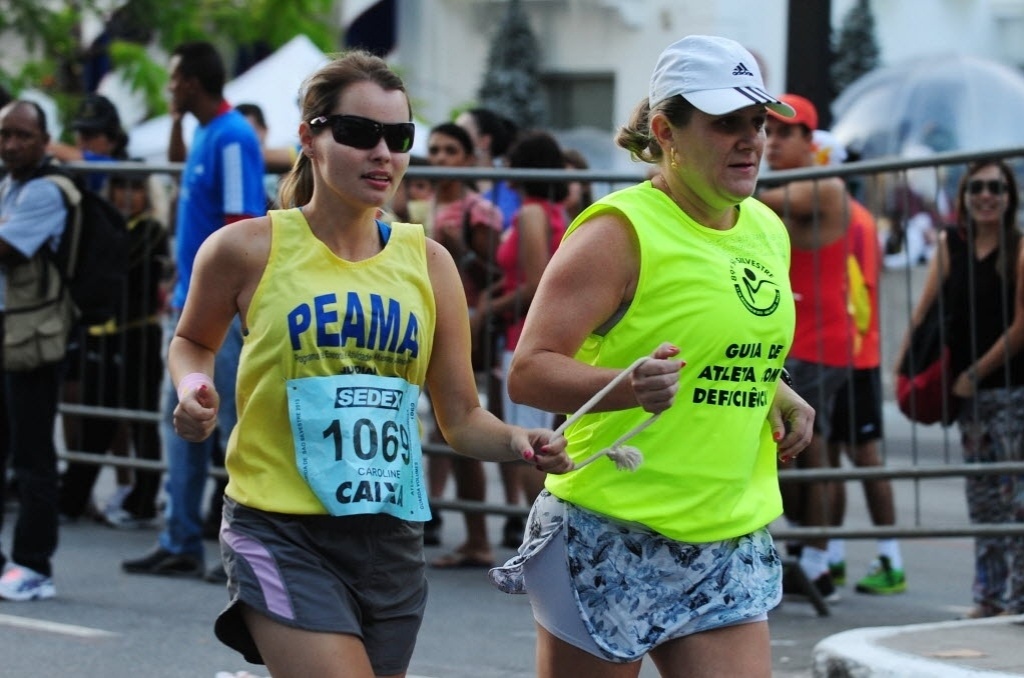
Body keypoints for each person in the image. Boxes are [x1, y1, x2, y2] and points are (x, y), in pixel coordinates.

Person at [168, 49, 572, 677]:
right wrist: (193, 386)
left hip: (389, 540)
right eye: (359, 132)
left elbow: (462, 417)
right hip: (279, 528)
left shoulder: (429, 263)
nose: (383, 153)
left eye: (399, 136)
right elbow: (192, 338)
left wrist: (520, 440)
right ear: (310, 138)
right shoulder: (245, 249)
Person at [489, 35, 813, 676]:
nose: (751, 140)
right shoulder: (618, 231)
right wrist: (627, 387)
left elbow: (713, 341)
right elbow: (528, 370)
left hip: (726, 535)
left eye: (757, 122)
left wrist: (776, 390)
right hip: (609, 529)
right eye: (726, 123)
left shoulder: (765, 228)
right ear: (665, 131)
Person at [122, 40, 265, 579]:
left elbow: (240, 223)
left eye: (173, 78)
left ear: (191, 82)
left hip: (217, 315)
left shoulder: (232, 136)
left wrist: (229, 305)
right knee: (181, 423)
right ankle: (180, 539)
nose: (167, 87)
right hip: (189, 304)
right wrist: (178, 120)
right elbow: (183, 170)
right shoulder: (206, 131)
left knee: (231, 428)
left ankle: (247, 550)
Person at [895, 159, 1024, 618]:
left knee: (1015, 500)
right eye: (977, 188)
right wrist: (904, 368)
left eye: (996, 188)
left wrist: (975, 373)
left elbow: (1021, 326)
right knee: (982, 498)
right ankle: (988, 596)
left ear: (1010, 197)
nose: (986, 196)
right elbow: (923, 311)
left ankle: (1017, 599)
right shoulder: (951, 244)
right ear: (964, 195)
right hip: (967, 395)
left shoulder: (1019, 248)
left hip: (1011, 391)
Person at [759, 93, 854, 599]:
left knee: (810, 451)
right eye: (766, 132)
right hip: (800, 341)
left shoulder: (825, 184)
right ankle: (814, 555)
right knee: (806, 451)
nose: (771, 143)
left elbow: (775, 201)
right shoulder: (784, 188)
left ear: (808, 139)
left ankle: (817, 562)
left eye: (782, 133)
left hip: (821, 342)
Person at [58, 164, 171, 529]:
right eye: (120, 187)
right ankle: (71, 500)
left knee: (142, 421)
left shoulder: (150, 229)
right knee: (96, 420)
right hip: (101, 335)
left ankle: (143, 502)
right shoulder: (107, 226)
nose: (127, 196)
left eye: (136, 189)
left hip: (138, 335)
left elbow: (114, 261)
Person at [821, 156, 908, 596]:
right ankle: (830, 556)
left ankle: (891, 559)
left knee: (864, 456)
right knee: (829, 456)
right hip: (839, 352)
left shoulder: (851, 217)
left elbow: (857, 285)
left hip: (853, 355)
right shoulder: (847, 213)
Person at [477, 129, 568, 547]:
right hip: (530, 334)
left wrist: (486, 309)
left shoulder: (532, 213)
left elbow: (534, 285)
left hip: (523, 336)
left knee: (529, 445)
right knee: (535, 440)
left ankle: (546, 543)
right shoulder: (553, 211)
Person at [0, 100, 74, 601]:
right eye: (5, 134)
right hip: (11, 330)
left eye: (22, 135)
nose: (11, 144)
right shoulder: (11, 185)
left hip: (33, 336)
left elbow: (7, 247)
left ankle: (33, 565)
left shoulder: (48, 189)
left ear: (45, 141)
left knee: (32, 454)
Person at [422, 122, 504, 563]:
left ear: (469, 158)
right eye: (434, 150)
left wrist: (462, 250)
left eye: (450, 150)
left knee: (460, 427)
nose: (440, 159)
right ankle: (434, 514)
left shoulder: (479, 210)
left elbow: (498, 276)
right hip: (419, 323)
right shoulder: (420, 202)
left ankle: (477, 536)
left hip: (463, 328)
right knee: (436, 429)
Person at [455, 107, 520, 230]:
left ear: (484, 141)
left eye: (462, 132)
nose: (453, 138)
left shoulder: (512, 186)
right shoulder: (450, 184)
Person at [561, 147, 593, 223]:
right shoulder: (547, 220)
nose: (562, 188)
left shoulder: (596, 218)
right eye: (559, 182)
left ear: (585, 185)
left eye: (568, 181)